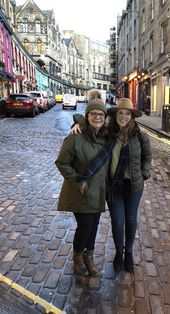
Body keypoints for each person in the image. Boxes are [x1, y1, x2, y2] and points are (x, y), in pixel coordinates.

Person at [72, 98, 152, 274]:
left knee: (131, 219)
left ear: (132, 116)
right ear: (115, 115)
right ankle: (118, 253)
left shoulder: (140, 136)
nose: (123, 116)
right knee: (117, 220)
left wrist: (144, 173)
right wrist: (77, 123)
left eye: (127, 113)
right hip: (114, 186)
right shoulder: (109, 134)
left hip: (133, 186)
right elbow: (88, 121)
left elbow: (147, 158)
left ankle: (128, 253)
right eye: (120, 113)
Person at [55, 89, 109, 277]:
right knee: (85, 225)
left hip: (98, 191)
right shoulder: (75, 137)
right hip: (81, 190)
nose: (97, 117)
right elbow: (62, 162)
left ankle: (89, 257)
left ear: (105, 118)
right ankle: (78, 257)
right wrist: (78, 180)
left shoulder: (105, 136)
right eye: (93, 114)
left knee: (93, 226)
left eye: (101, 114)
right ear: (87, 116)